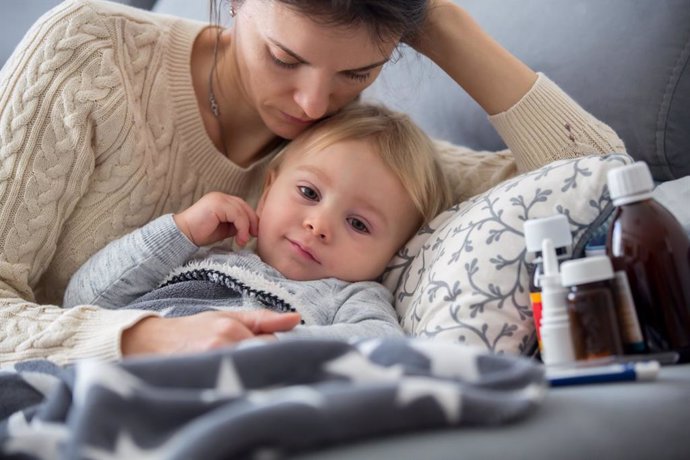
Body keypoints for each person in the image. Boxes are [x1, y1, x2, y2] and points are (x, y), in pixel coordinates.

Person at [0, 0, 625, 367]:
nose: (312, 102)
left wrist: (437, 23)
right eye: (284, 58)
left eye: (358, 71)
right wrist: (146, 338)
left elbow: (603, 184)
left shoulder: (352, 153)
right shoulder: (91, 53)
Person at [62, 103, 452, 342]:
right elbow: (82, 301)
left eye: (359, 224)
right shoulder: (203, 251)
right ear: (267, 191)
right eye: (309, 193)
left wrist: (267, 345)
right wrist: (177, 232)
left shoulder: (349, 297)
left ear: (394, 254)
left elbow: (381, 348)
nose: (318, 225)